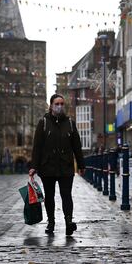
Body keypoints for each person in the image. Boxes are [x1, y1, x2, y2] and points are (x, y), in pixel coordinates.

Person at [29, 94, 85, 236]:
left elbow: (76, 146)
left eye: (62, 104)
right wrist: (34, 166)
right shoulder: (44, 123)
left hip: (66, 166)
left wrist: (81, 165)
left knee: (66, 195)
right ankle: (51, 222)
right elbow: (37, 147)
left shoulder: (70, 124)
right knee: (49, 196)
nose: (59, 106)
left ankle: (68, 222)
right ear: (51, 105)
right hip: (48, 166)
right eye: (57, 103)